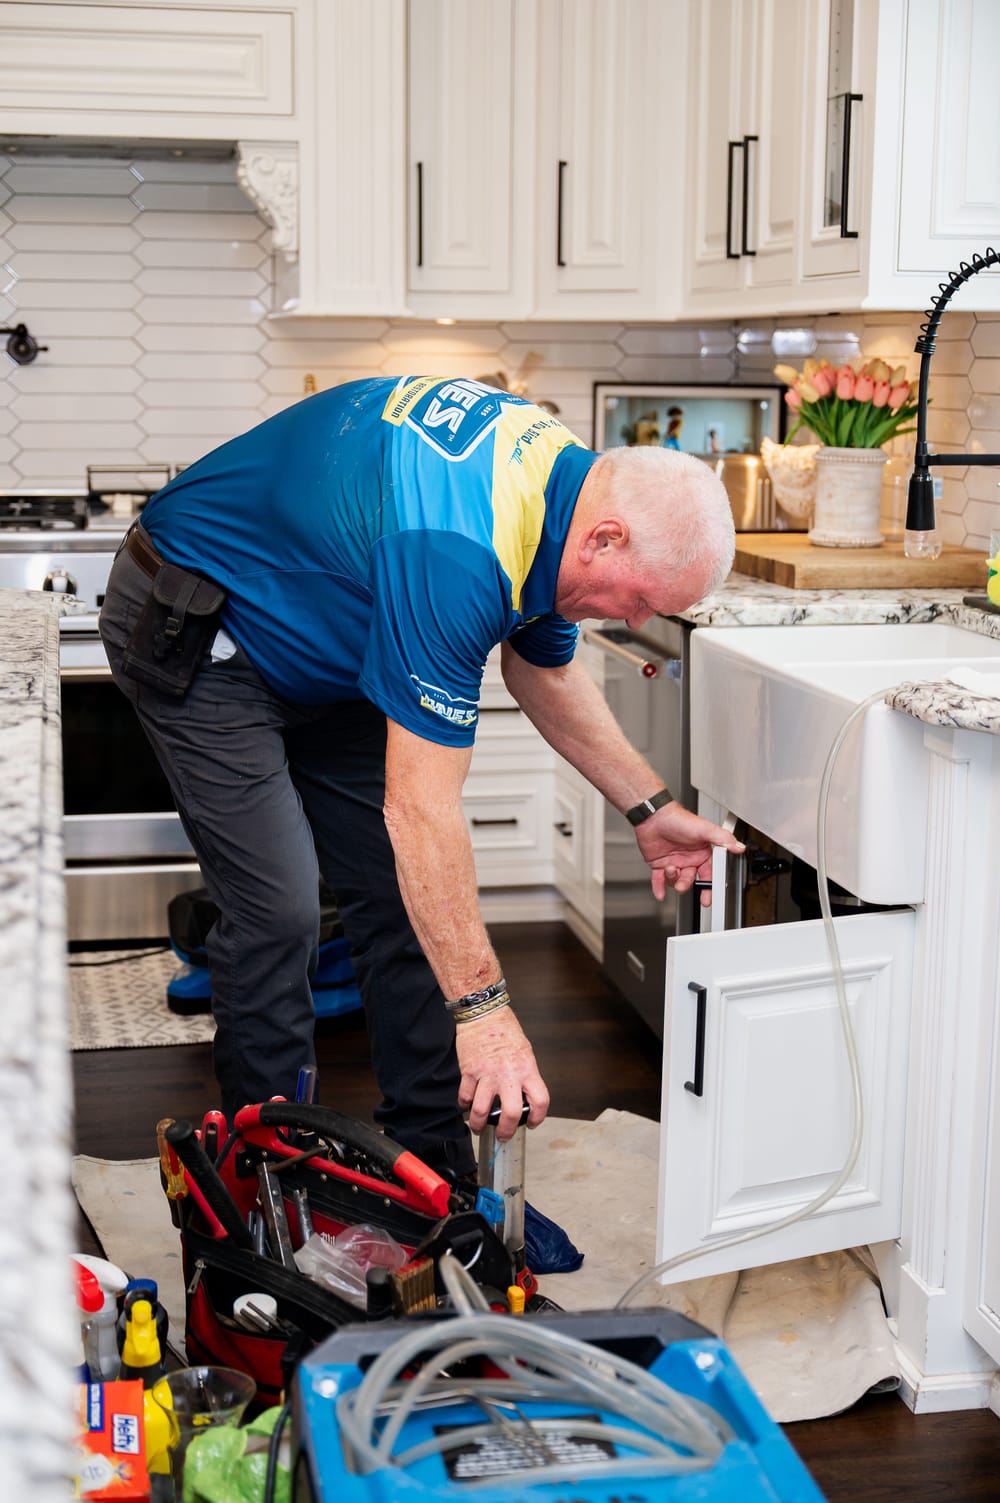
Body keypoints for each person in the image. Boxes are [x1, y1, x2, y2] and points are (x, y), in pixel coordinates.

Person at [98, 375, 742, 1183]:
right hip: (202, 616)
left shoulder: (557, 502)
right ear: (605, 540)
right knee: (279, 911)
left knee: (405, 899)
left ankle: (433, 1179)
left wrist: (648, 806)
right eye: (643, 600)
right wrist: (485, 1012)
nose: (637, 622)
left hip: (327, 647)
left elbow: (543, 669)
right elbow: (419, 808)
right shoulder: (461, 545)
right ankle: (264, 1183)